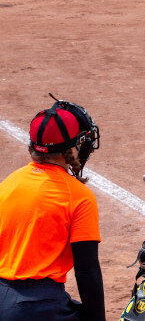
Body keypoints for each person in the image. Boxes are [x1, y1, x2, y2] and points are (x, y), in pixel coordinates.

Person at [0, 96, 104, 320]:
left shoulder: (9, 183)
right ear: (72, 149)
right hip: (36, 306)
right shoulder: (79, 196)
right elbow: (87, 271)